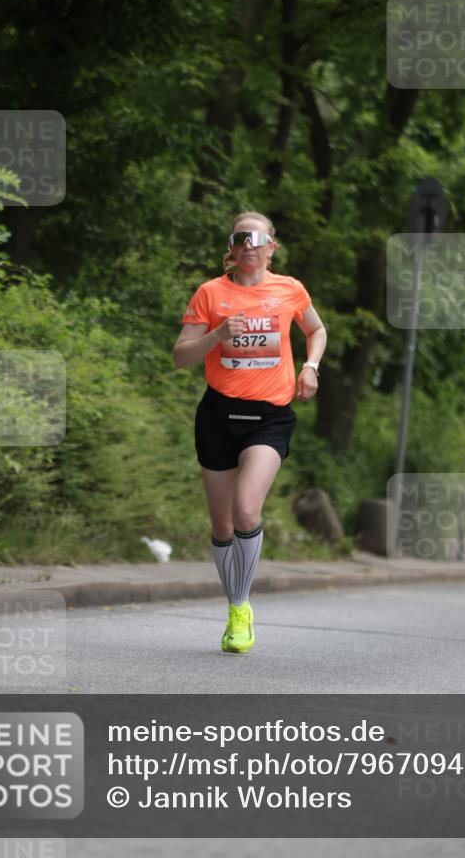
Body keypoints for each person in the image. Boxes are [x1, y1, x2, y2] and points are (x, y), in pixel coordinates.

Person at [173, 211, 327, 654]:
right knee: (221, 525)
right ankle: (235, 601)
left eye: (257, 237)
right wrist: (217, 335)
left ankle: (240, 609)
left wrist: (311, 367)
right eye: (240, 237)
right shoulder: (210, 293)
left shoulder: (290, 289)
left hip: (270, 416)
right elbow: (181, 356)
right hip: (219, 415)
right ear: (232, 245)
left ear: (271, 246)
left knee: (245, 511)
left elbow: (315, 329)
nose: (248, 244)